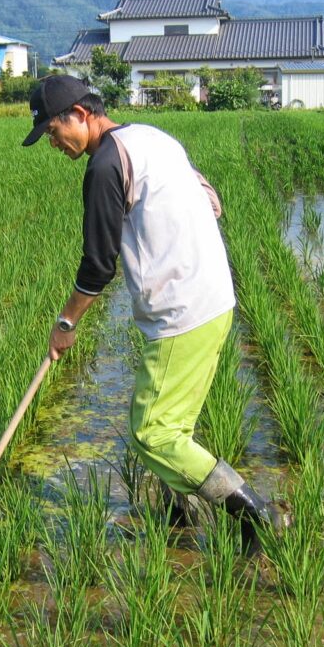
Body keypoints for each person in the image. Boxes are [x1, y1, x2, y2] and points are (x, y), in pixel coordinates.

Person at [22, 75, 290, 535]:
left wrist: (66, 322)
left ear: (81, 116)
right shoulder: (150, 137)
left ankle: (259, 516)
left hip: (181, 314)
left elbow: (98, 265)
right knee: (173, 427)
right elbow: (211, 200)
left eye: (52, 130)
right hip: (214, 298)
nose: (53, 142)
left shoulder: (105, 164)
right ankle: (177, 513)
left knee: (153, 433)